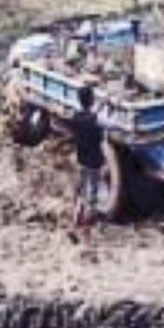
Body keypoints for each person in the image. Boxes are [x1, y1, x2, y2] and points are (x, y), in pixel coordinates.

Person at [69, 86, 105, 237]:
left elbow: (91, 117)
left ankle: (73, 226)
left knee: (82, 193)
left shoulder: (76, 117)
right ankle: (85, 231)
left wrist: (101, 106)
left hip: (81, 160)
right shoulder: (96, 120)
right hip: (94, 162)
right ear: (91, 100)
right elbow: (104, 127)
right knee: (93, 196)